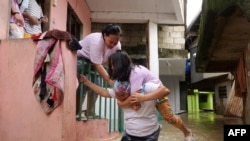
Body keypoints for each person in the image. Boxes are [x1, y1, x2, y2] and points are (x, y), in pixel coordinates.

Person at [107, 50, 193, 141]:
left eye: (113, 65)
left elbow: (135, 102)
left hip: (157, 92)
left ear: (120, 64)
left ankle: (187, 132)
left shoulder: (135, 73)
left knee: (169, 117)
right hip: (144, 92)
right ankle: (155, 128)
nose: (112, 68)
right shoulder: (125, 75)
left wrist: (121, 104)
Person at [79, 75, 170, 141]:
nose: (120, 97)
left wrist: (143, 98)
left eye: (123, 95)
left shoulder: (145, 87)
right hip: (130, 133)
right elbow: (104, 92)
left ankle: (158, 127)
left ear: (129, 90)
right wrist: (87, 82)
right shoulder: (119, 92)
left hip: (150, 134)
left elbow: (165, 91)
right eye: (118, 95)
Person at [76, 24, 122, 120]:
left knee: (97, 85)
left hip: (96, 63)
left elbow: (115, 61)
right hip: (82, 59)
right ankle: (77, 112)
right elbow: (97, 64)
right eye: (111, 42)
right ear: (105, 35)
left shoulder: (117, 45)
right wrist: (109, 80)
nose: (113, 45)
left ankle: (89, 111)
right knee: (83, 85)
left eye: (115, 42)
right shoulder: (96, 41)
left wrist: (115, 76)